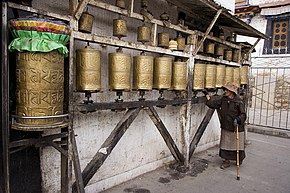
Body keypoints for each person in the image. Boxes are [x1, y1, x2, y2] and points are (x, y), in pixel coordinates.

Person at [205, 82, 247, 169]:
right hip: (226, 125)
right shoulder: (223, 99)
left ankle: (239, 159)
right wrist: (208, 98)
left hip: (236, 127)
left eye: (227, 90)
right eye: (225, 89)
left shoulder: (238, 101)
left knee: (237, 146)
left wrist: (238, 119)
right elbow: (214, 104)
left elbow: (243, 114)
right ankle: (226, 161)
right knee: (225, 144)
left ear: (232, 91)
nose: (225, 91)